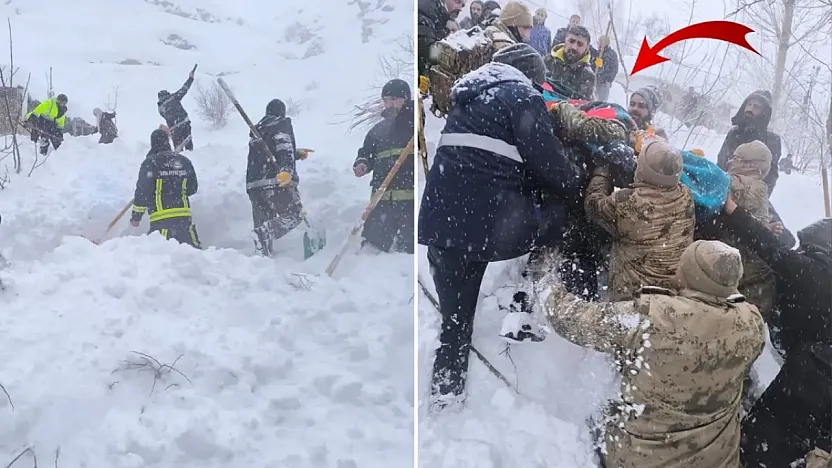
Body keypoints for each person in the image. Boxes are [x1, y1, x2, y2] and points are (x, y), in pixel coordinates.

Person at [418, 44, 581, 409]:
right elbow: (551, 165)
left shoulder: (465, 98)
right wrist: (577, 183)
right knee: (557, 207)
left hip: (442, 219)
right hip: (486, 225)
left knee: (455, 321)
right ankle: (524, 294)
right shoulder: (522, 94)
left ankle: (446, 390)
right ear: (529, 75)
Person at [544, 240, 765, 468]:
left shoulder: (656, 319)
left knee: (602, 420)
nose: (676, 267)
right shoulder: (752, 325)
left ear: (694, 277)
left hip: (643, 459)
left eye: (683, 264)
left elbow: (573, 321)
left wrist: (546, 282)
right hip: (718, 460)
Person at [714, 199, 831, 467]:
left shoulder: (806, 271)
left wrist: (734, 212)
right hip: (819, 362)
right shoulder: (819, 269)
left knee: (771, 434)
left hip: (813, 369)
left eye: (805, 248)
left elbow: (768, 245)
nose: (799, 251)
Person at [584, 140, 694, 301]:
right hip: (673, 295)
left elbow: (593, 205)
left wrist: (602, 171)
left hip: (635, 297)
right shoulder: (686, 195)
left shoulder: (627, 202)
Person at [353, 79, 415, 253]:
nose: (389, 104)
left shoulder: (414, 125)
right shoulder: (377, 130)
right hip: (380, 204)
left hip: (408, 204)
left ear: (405, 99)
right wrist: (362, 164)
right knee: (372, 250)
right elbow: (366, 153)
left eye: (394, 99)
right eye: (386, 100)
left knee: (406, 254)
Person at [246, 99, 308, 257]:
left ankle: (261, 258)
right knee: (296, 214)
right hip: (275, 181)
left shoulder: (258, 130)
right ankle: (262, 234)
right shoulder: (281, 123)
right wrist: (288, 169)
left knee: (265, 221)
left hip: (254, 186)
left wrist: (296, 154)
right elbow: (283, 146)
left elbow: (267, 151)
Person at [130, 129, 200, 248]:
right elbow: (192, 188)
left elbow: (142, 194)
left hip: (162, 223)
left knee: (160, 258)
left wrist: (136, 217)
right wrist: (175, 185)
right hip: (184, 221)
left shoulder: (150, 163)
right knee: (193, 257)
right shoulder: (184, 162)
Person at [716, 90, 781, 194]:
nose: (750, 109)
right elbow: (721, 163)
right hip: (724, 189)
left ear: (764, 112)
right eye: (749, 104)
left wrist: (753, 196)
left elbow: (770, 176)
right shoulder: (734, 133)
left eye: (756, 107)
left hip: (751, 195)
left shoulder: (772, 140)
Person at [544, 25, 596, 100]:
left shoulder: (587, 76)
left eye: (580, 44)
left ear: (587, 48)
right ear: (565, 40)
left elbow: (582, 105)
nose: (574, 47)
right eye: (571, 41)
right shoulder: (548, 60)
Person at [157, 68, 195, 151]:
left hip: (174, 129)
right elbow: (184, 89)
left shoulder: (160, 109)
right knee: (189, 146)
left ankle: (178, 161)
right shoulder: (173, 98)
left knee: (178, 150)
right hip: (184, 123)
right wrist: (190, 78)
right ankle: (191, 155)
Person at [593, 35, 618, 101]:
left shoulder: (610, 54)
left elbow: (612, 70)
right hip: (596, 82)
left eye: (599, 42)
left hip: (603, 84)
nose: (597, 43)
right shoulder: (599, 53)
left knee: (601, 102)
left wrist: (606, 79)